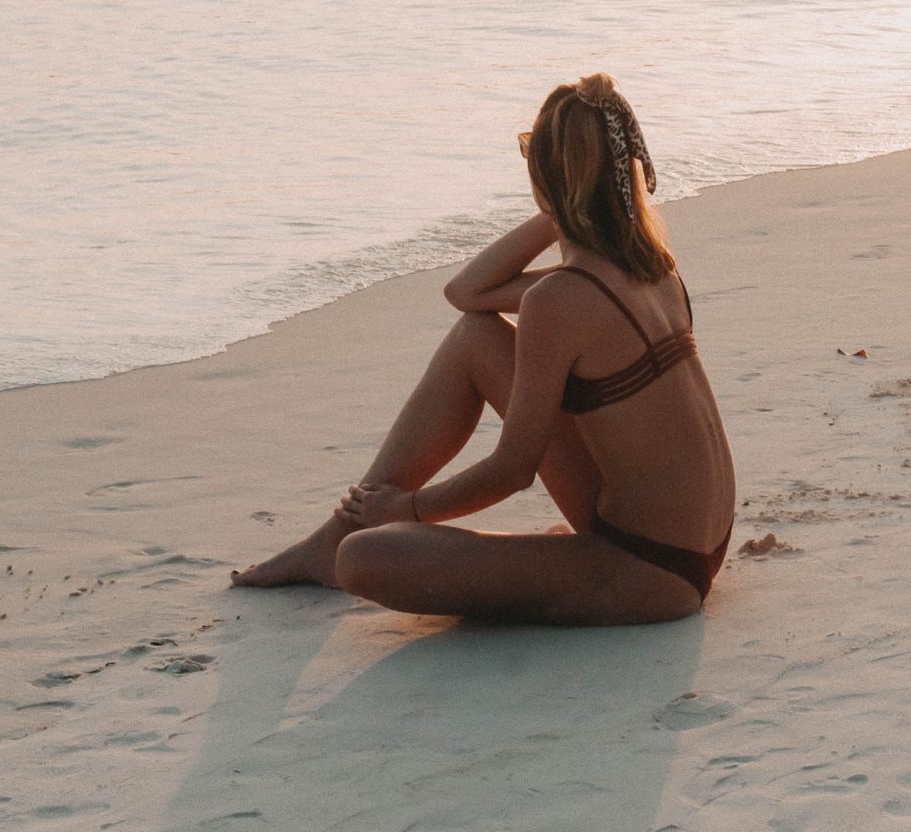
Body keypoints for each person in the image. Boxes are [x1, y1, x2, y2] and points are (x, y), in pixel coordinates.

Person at [232, 75, 735, 624]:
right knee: (476, 335)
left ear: (546, 177)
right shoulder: (651, 269)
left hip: (644, 569)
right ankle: (333, 536)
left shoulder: (563, 299)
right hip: (695, 545)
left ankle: (340, 543)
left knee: (364, 558)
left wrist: (407, 509)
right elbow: (467, 296)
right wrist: (566, 205)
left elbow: (511, 472)